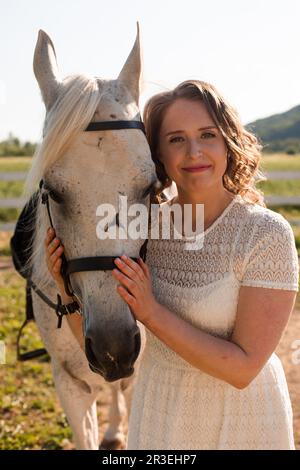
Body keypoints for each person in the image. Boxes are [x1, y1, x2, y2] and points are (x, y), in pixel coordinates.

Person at [45, 80, 299, 450]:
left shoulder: (264, 234)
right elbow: (104, 345)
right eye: (176, 139)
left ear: (228, 141)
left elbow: (243, 369)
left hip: (239, 418)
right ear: (157, 154)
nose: (194, 151)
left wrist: (151, 312)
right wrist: (66, 288)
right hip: (158, 412)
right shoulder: (140, 228)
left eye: (208, 135)